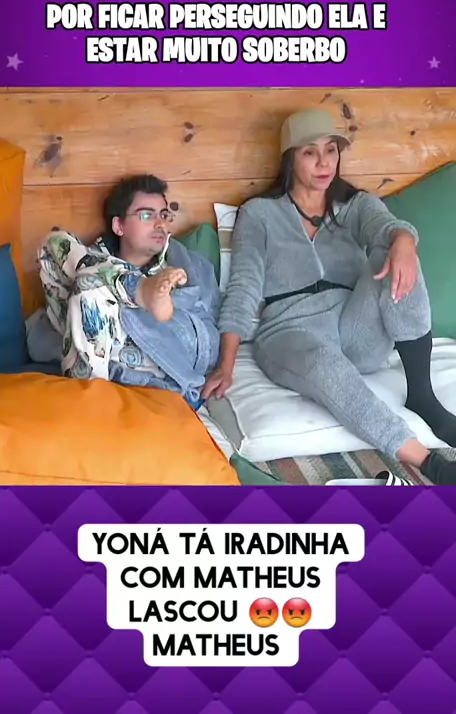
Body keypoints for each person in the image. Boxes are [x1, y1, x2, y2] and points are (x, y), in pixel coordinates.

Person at [203, 108, 456, 485]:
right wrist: (226, 365)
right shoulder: (259, 214)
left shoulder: (355, 204)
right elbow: (243, 287)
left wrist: (403, 241)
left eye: (331, 150)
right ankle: (429, 463)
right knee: (324, 363)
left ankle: (422, 395)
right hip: (289, 332)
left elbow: (387, 227)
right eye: (310, 152)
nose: (324, 163)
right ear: (289, 158)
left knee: (395, 253)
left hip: (354, 328)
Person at [36, 174, 221, 410]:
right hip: (102, 344)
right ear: (119, 226)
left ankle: (85, 405)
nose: (160, 224)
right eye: (146, 215)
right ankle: (138, 287)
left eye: (164, 215)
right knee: (54, 245)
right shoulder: (90, 262)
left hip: (160, 354)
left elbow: (209, 335)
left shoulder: (187, 264)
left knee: (89, 288)